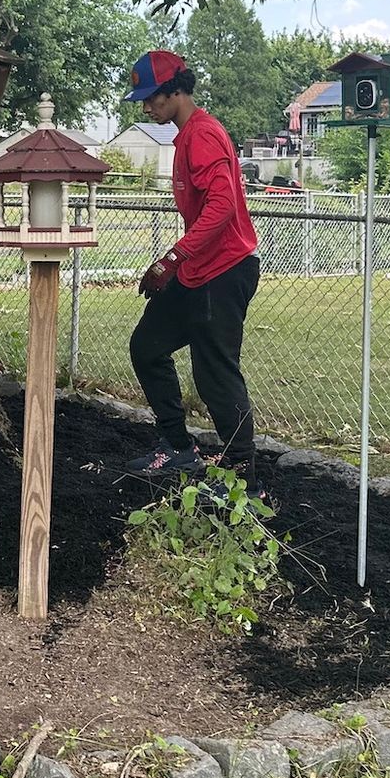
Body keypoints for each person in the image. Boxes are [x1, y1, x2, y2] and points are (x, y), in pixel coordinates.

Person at [122, 50, 264, 493]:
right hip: (196, 270)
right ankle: (176, 446)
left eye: (152, 98)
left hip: (225, 270)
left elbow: (222, 208)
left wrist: (171, 259)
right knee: (147, 345)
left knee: (215, 372)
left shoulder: (203, 134)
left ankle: (242, 475)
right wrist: (181, 263)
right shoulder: (185, 136)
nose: (147, 107)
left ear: (176, 91)